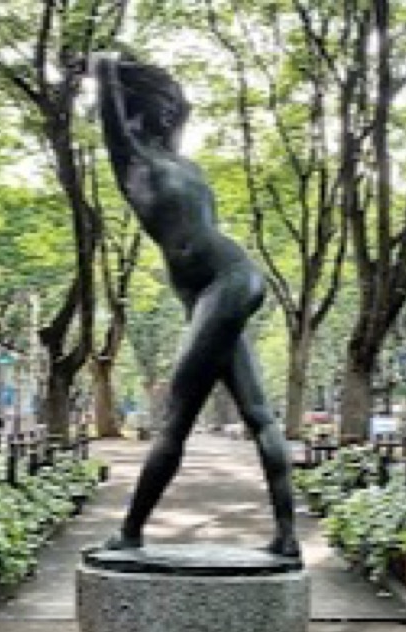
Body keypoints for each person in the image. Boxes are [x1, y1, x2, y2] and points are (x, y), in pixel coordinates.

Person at [91, 53, 298, 558]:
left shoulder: (163, 161)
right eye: (160, 110)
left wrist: (118, 76)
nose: (168, 118)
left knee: (175, 424)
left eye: (171, 112)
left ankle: (131, 533)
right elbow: (121, 113)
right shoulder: (146, 161)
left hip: (226, 283)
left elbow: (143, 117)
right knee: (258, 415)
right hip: (224, 285)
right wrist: (107, 72)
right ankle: (287, 537)